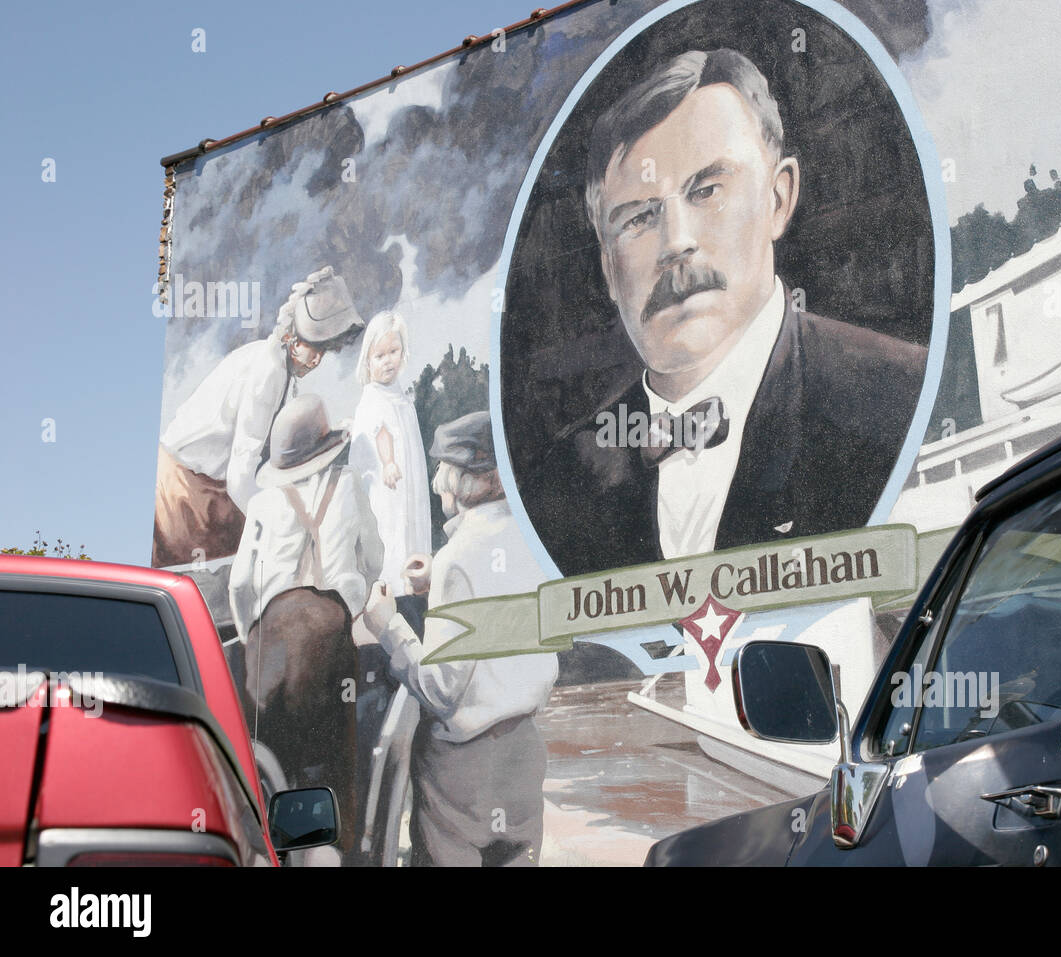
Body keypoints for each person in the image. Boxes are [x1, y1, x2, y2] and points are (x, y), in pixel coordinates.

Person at [521, 48, 928, 575]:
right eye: (639, 218)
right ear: (608, 267)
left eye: (707, 190)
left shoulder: (897, 395)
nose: (677, 243)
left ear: (778, 199)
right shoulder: (561, 479)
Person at [363, 411, 558, 867]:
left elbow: (440, 689)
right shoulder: (535, 540)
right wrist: (443, 580)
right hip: (525, 753)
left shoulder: (459, 559)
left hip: (464, 767)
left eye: (443, 469)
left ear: (470, 479)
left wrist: (388, 626)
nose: (436, 481)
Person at [228, 393, 384, 862]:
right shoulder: (352, 484)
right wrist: (350, 605)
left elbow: (239, 584)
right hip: (329, 634)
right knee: (334, 753)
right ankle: (329, 849)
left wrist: (253, 633)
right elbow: (374, 559)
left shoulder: (262, 503)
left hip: (269, 641)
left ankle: (274, 850)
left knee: (268, 751)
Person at [153, 265, 364, 568]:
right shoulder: (267, 374)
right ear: (292, 338)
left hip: (205, 489)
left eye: (324, 350)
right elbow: (241, 475)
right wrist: (277, 526)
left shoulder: (279, 368)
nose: (317, 359)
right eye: (312, 347)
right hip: (186, 495)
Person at [349, 311, 432, 626]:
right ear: (368, 359)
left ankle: (414, 584)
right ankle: (396, 599)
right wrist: (389, 462)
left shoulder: (399, 395)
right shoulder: (373, 399)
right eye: (380, 355)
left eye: (393, 353)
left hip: (406, 487)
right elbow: (380, 433)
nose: (388, 361)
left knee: (411, 530)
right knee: (393, 535)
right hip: (387, 487)